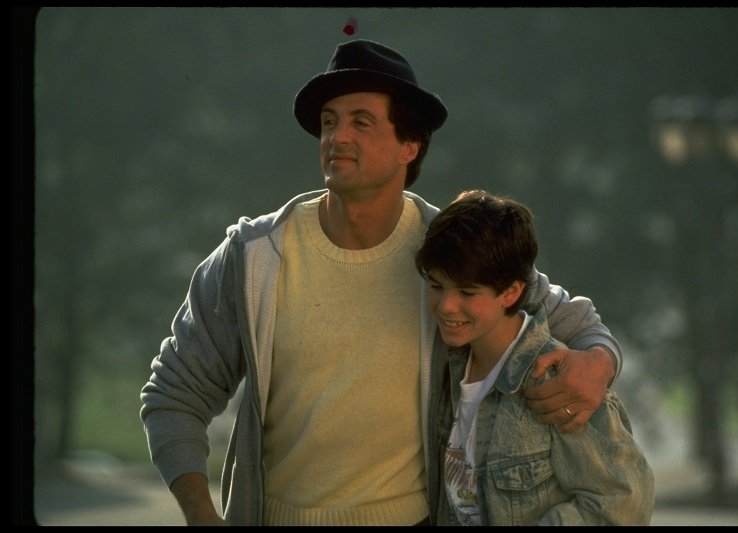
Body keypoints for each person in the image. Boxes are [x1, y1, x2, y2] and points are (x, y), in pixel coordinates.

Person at [140, 39, 622, 526]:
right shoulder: (254, 258)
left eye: (360, 122)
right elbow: (172, 395)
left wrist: (599, 363)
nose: (336, 137)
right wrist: (201, 513)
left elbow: (577, 323)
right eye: (329, 122)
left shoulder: (452, 253)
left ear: (409, 146)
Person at [416, 189, 654, 525]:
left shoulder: (557, 382)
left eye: (467, 292)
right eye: (436, 286)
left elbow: (622, 504)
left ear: (512, 291)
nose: (446, 306)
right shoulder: (445, 368)